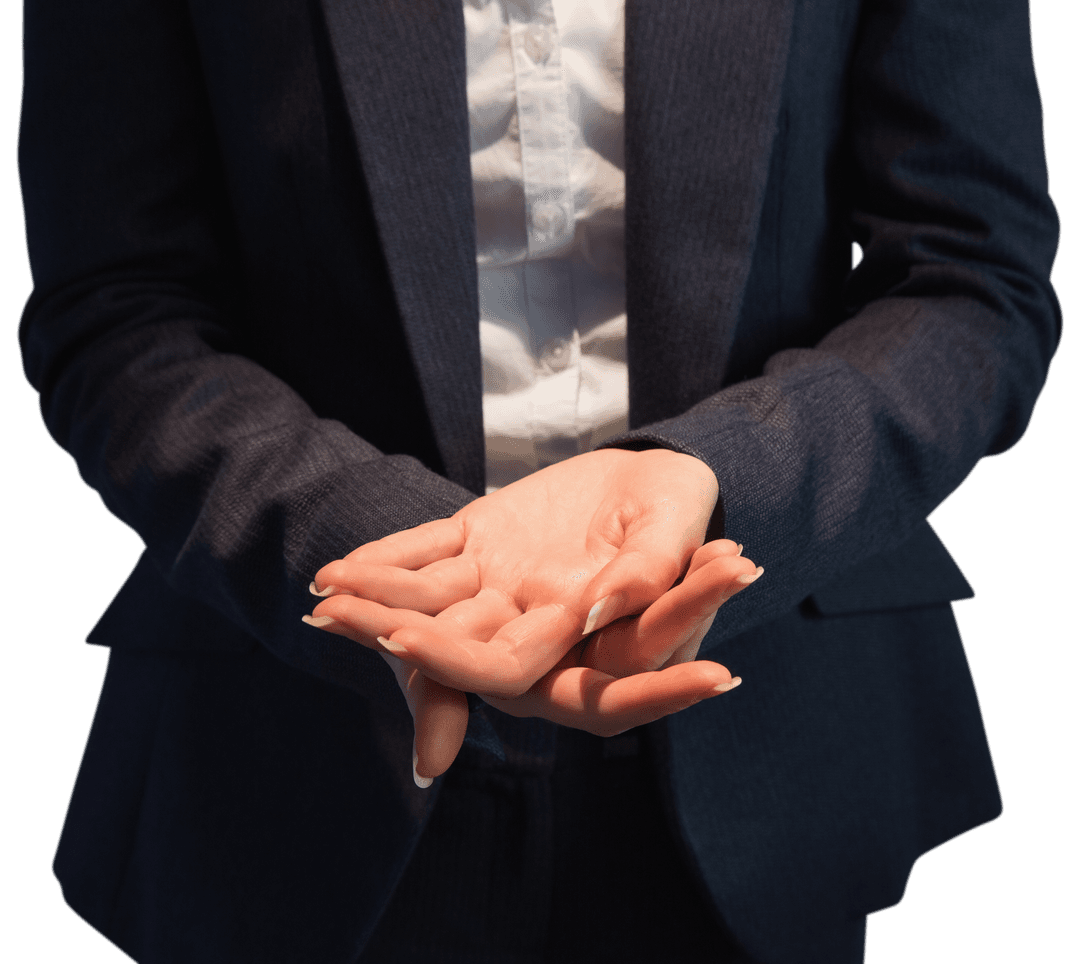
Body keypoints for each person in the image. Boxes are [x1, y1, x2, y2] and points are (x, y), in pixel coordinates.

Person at [16, 1, 1060, 963]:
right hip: (285, 761)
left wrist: (711, 479)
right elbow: (118, 310)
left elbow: (971, 282)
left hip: (771, 741)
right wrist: (403, 554)